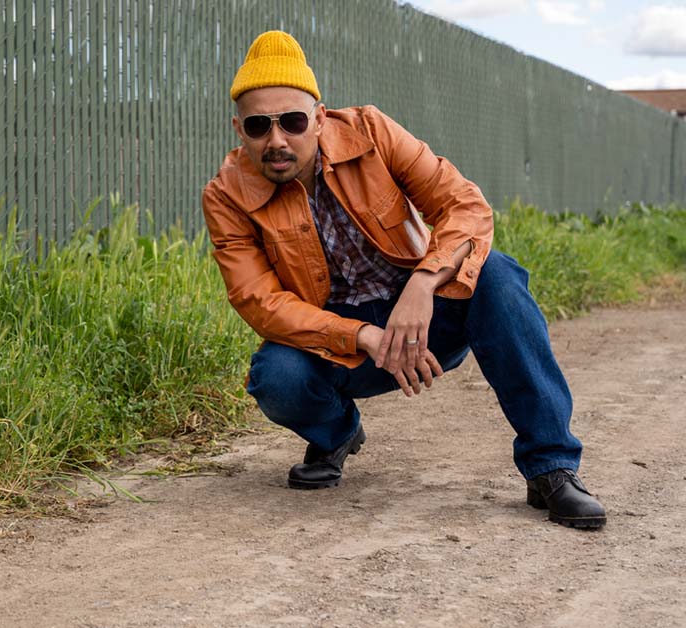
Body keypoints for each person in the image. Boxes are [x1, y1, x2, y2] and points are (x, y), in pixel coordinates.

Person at [201, 30, 606, 529]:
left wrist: (424, 284)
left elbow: (464, 205)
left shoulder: (371, 132)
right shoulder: (226, 194)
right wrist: (361, 334)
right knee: (275, 377)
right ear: (239, 128)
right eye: (259, 125)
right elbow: (258, 300)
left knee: (497, 274)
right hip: (341, 343)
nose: (277, 139)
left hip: (424, 317)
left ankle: (552, 468)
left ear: (320, 119)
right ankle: (338, 434)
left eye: (293, 121)